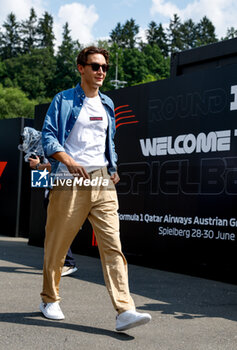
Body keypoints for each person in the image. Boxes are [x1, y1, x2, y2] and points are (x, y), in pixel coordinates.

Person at [39, 46, 151, 331]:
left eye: (103, 67)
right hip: (69, 178)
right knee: (58, 246)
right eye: (94, 66)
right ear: (81, 68)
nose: (101, 71)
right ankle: (49, 298)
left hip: (102, 181)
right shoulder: (63, 100)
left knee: (113, 244)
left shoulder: (108, 104)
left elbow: (107, 141)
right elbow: (49, 135)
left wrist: (111, 169)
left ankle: (125, 310)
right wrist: (66, 160)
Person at [29, 155, 78, 277]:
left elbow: (58, 165)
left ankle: (68, 263)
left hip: (62, 192)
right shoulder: (48, 147)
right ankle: (60, 263)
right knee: (54, 230)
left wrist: (38, 166)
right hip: (52, 191)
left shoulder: (60, 143)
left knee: (59, 229)